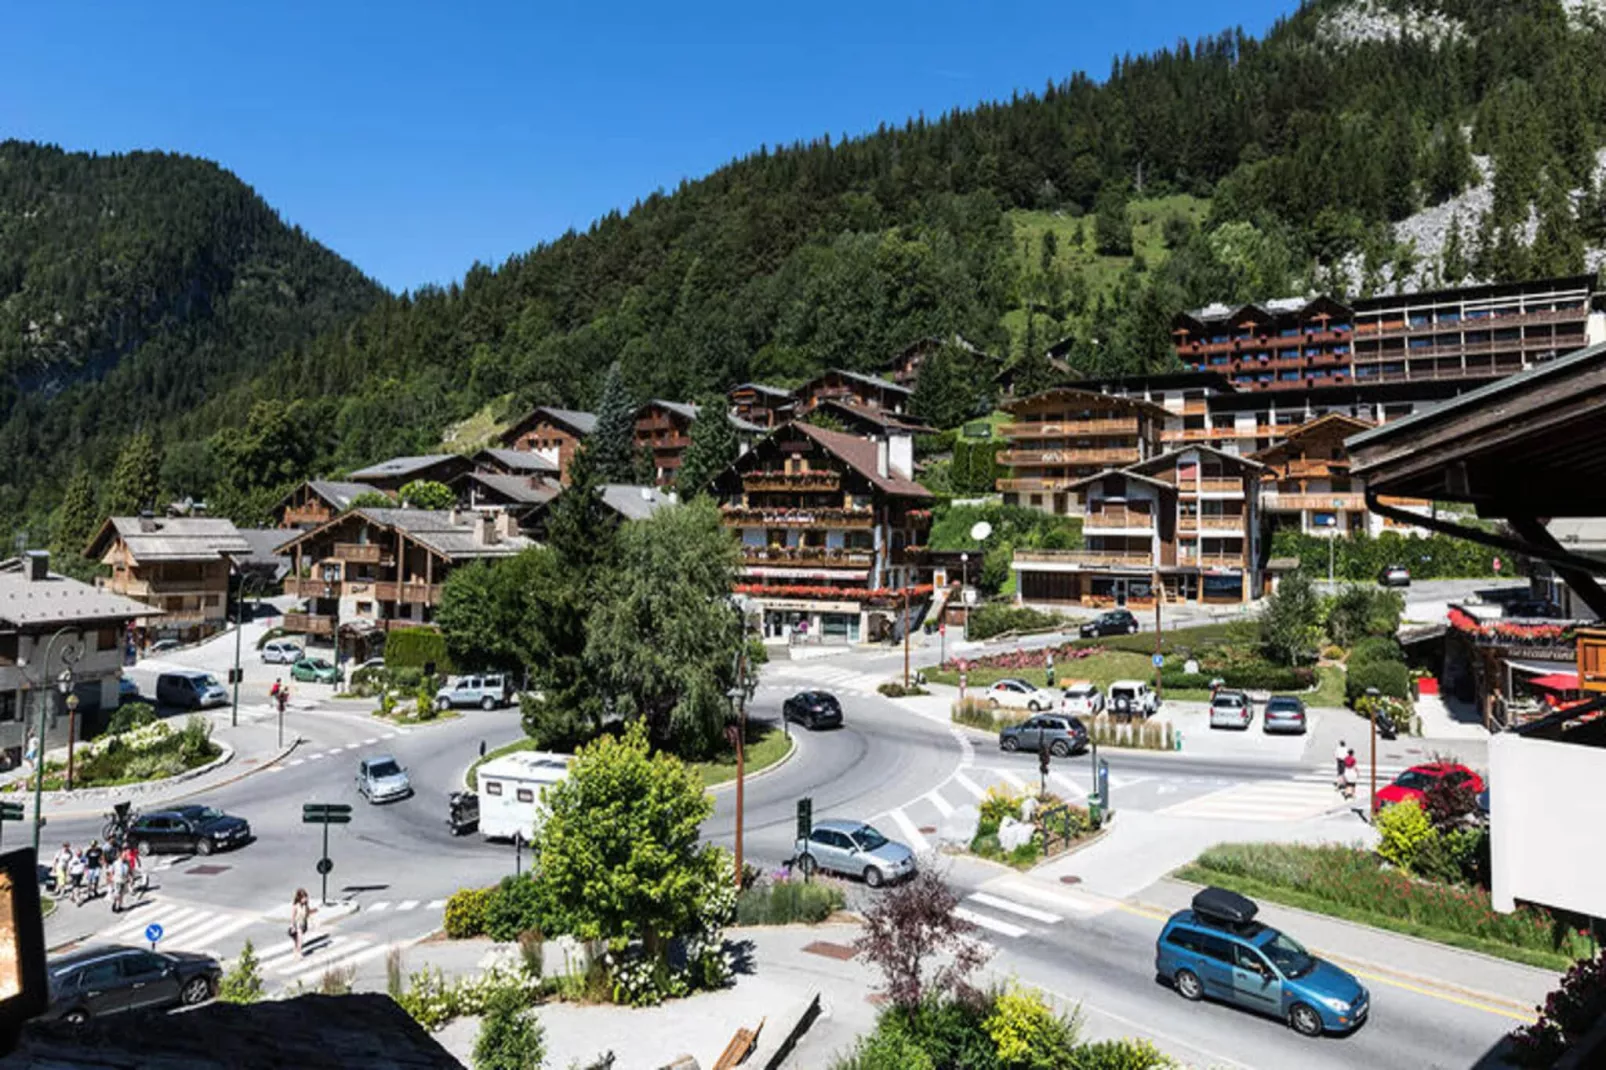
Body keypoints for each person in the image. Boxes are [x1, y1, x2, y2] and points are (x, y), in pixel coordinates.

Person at [289, 888, 314, 956]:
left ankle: (295, 950)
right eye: (304, 898)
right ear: (299, 898)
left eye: (306, 897)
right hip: (297, 925)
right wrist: (292, 926)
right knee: (300, 939)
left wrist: (312, 922)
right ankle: (299, 952)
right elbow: (293, 917)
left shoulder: (305, 906)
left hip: (303, 924)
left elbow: (308, 914)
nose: (305, 899)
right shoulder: (296, 906)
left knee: (297, 940)